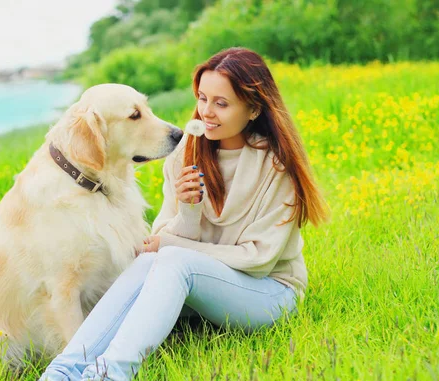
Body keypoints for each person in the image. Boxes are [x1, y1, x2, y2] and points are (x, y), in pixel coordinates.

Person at [39, 47, 329, 381]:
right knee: (150, 262)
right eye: (203, 98)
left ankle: (109, 375)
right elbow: (161, 240)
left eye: (222, 103)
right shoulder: (184, 157)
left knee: (174, 260)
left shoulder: (276, 166)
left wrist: (175, 247)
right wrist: (189, 214)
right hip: (206, 289)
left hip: (269, 292)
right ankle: (62, 372)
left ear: (253, 109)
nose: (207, 112)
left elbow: (258, 260)